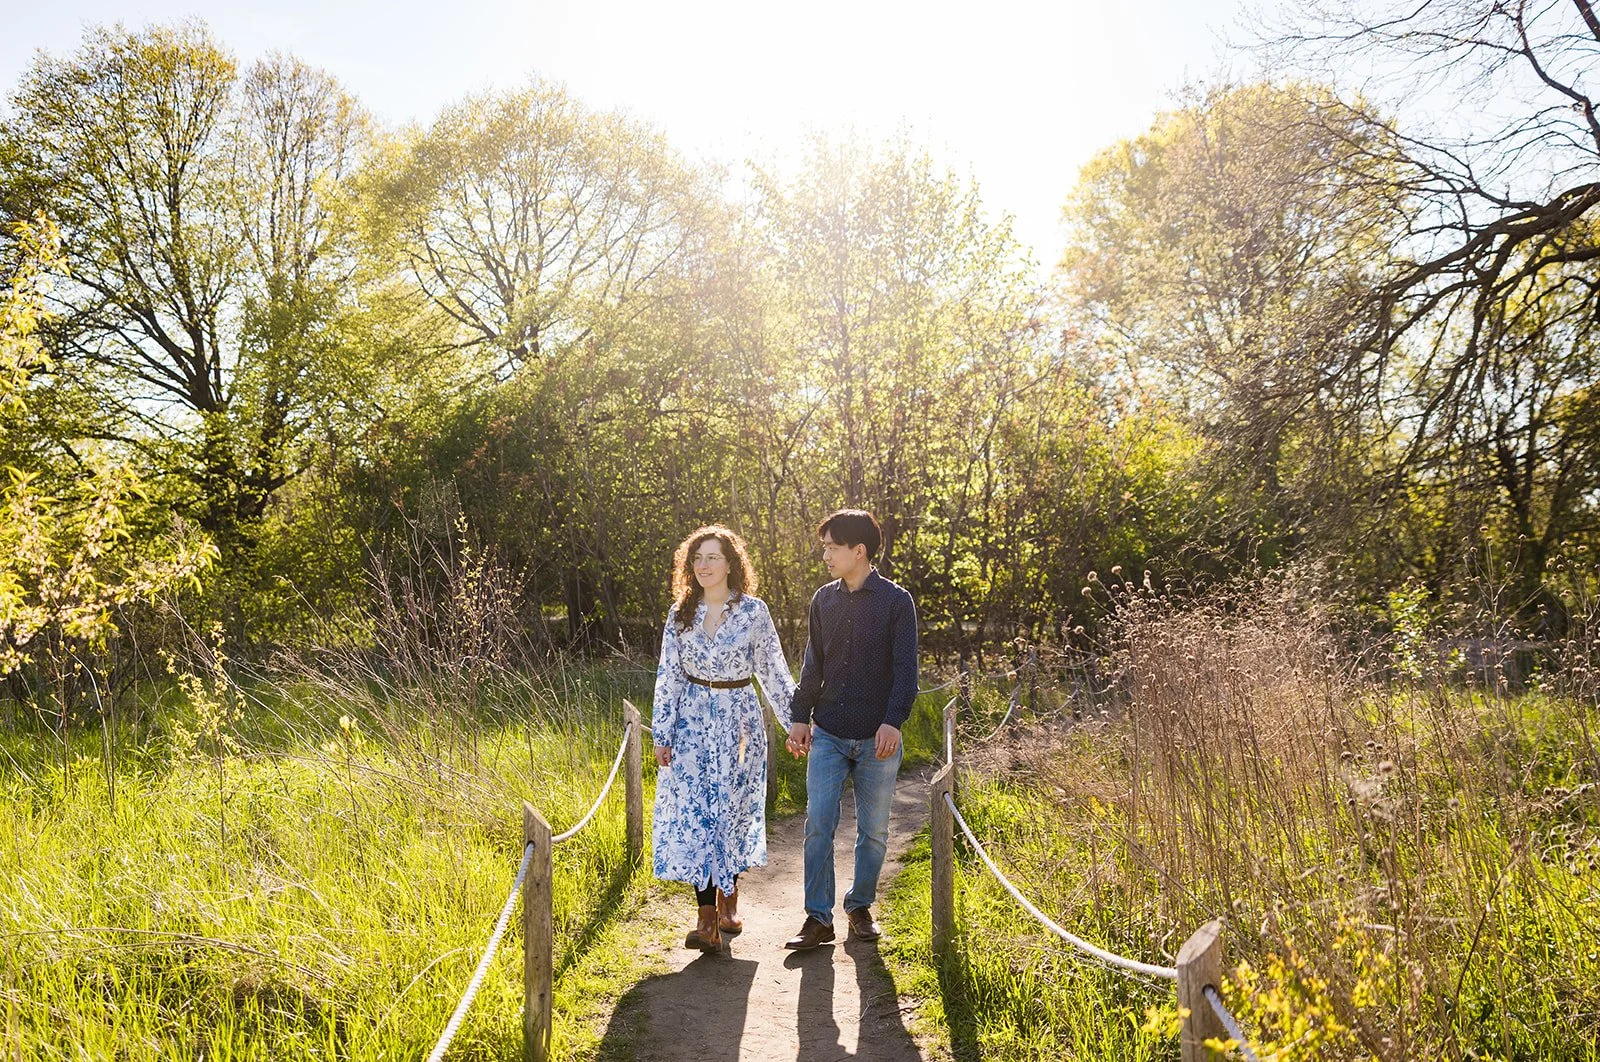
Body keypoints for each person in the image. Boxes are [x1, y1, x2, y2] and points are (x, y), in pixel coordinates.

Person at [650, 524, 797, 953]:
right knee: (698, 812)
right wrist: (663, 732)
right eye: (697, 559)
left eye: (712, 557)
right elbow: (668, 678)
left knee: (731, 809)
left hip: (739, 721)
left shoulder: (754, 612)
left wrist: (797, 725)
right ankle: (706, 917)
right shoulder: (680, 616)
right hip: (692, 721)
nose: (703, 566)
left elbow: (773, 671)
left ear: (731, 564)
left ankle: (729, 898)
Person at [783, 508, 917, 950]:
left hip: (878, 737)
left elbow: (905, 672)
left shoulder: (897, 603)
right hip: (829, 733)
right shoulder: (824, 600)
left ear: (858, 551)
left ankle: (859, 907)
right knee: (818, 822)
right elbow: (812, 665)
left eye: (832, 548)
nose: (825, 555)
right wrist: (800, 717)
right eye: (825, 547)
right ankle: (817, 919)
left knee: (874, 831)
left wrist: (892, 721)